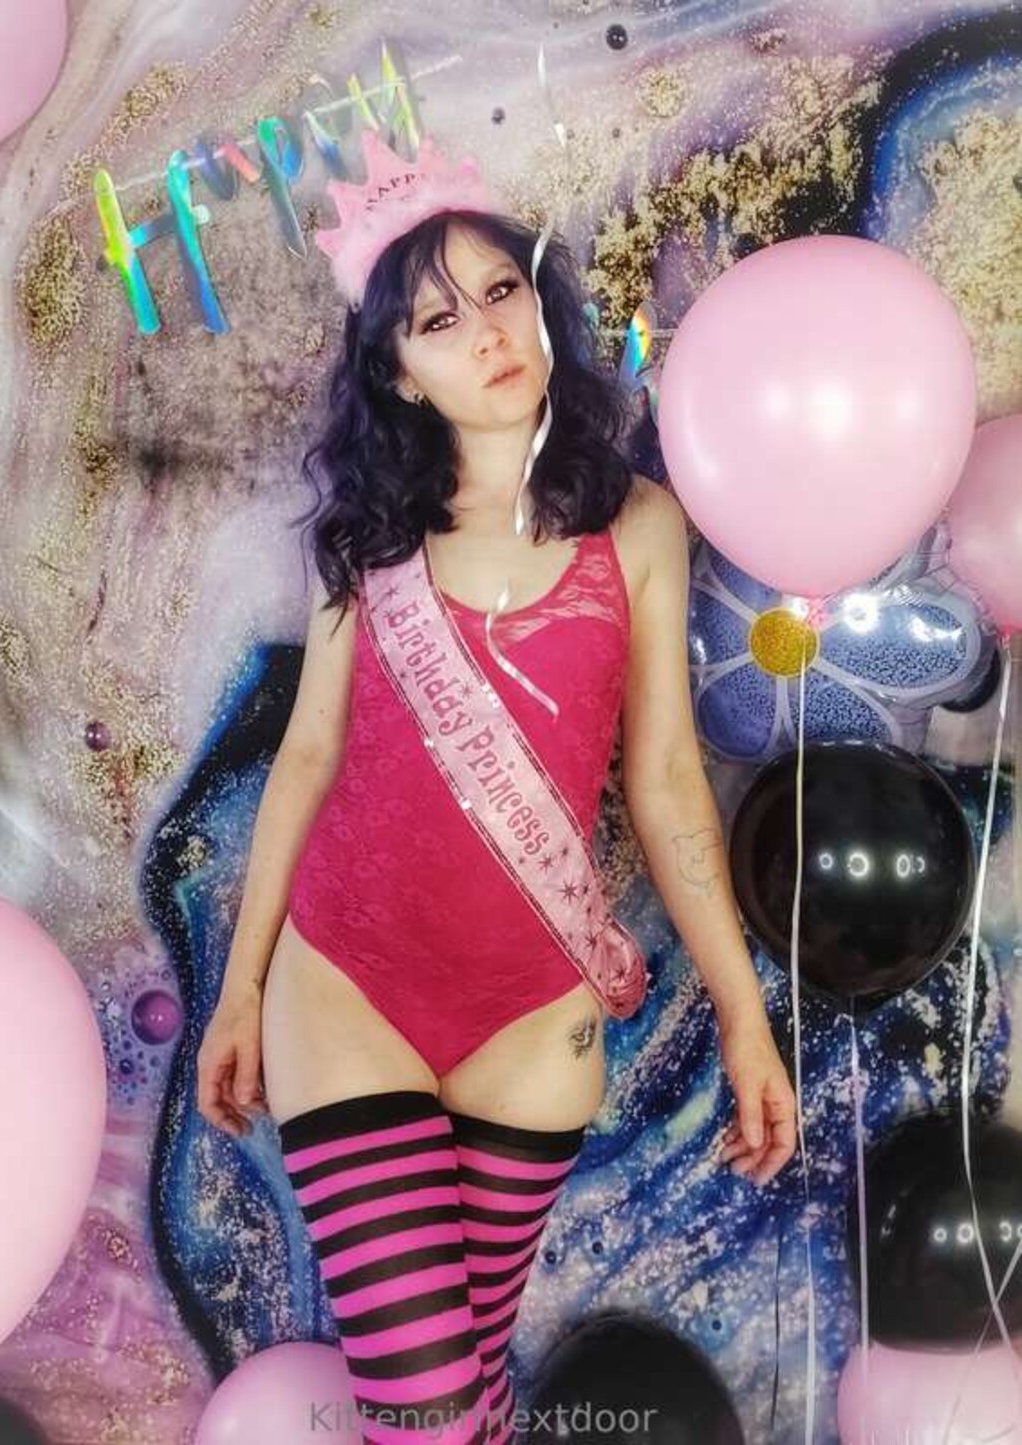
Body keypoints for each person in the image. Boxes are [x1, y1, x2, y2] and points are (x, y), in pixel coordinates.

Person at [197, 130, 797, 1445]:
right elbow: (307, 756)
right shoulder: (368, 538)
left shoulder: (639, 523)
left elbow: (668, 783)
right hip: (346, 988)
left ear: (541, 300)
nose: (486, 331)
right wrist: (238, 992)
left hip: (534, 1017)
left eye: (501, 290)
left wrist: (746, 1017)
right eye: (437, 319)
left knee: (469, 1393)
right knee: (422, 1413)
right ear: (398, 373)